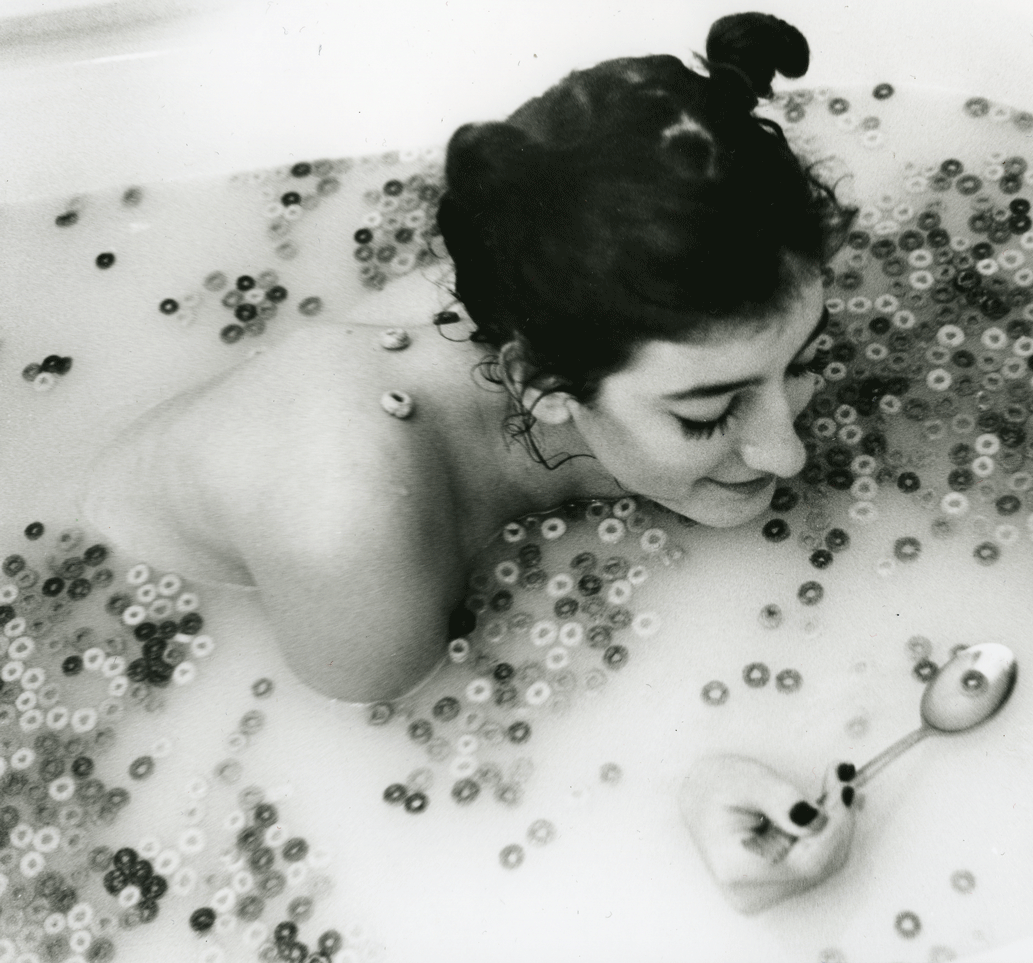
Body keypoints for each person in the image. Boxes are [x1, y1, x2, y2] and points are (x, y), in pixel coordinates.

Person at [80, 11, 858, 909]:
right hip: (119, 611)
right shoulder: (347, 524)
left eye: (801, 362)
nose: (787, 451)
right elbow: (376, 796)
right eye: (711, 412)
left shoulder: (615, 287)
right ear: (544, 385)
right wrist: (676, 791)